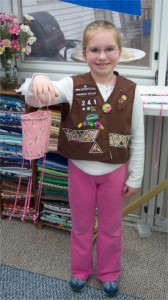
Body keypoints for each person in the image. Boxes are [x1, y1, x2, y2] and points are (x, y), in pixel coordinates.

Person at [25, 20, 145, 297]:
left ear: (120, 52)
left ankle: (109, 272)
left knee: (111, 227)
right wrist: (38, 79)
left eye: (109, 49)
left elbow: (137, 137)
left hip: (115, 172)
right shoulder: (71, 85)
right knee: (79, 225)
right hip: (80, 170)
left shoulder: (131, 90)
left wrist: (135, 176)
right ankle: (80, 270)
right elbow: (35, 95)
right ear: (83, 53)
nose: (102, 56)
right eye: (94, 49)